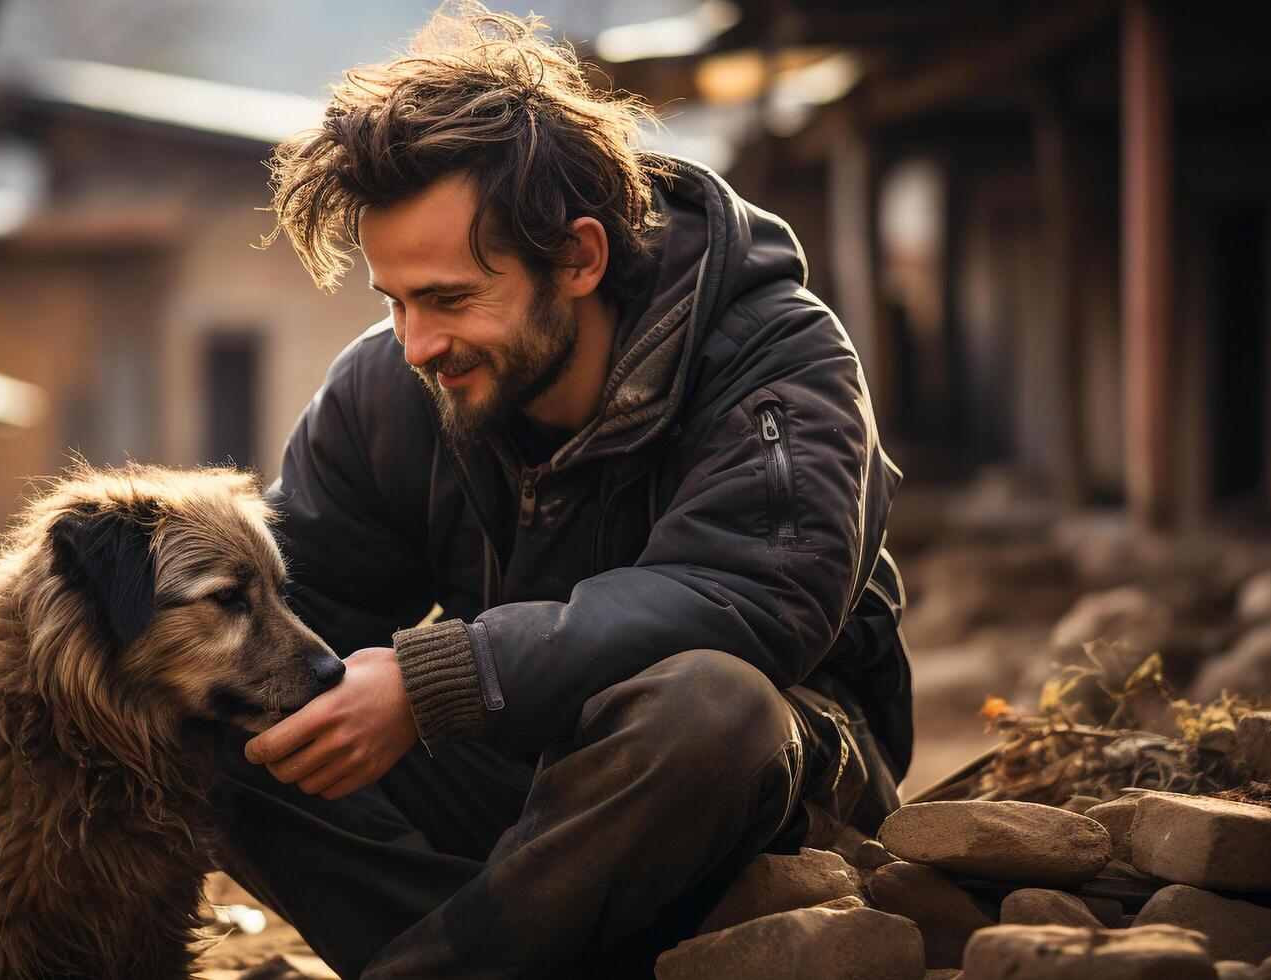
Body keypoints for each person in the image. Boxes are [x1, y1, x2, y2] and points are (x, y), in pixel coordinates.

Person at [215, 5, 912, 977]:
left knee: (707, 701)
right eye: (396, 301)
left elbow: (747, 601)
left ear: (578, 257)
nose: (416, 343)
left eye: (451, 298)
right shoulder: (392, 385)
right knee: (208, 699)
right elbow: (297, 613)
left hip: (749, 795)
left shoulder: (775, 355)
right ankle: (485, 952)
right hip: (517, 800)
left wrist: (432, 681)